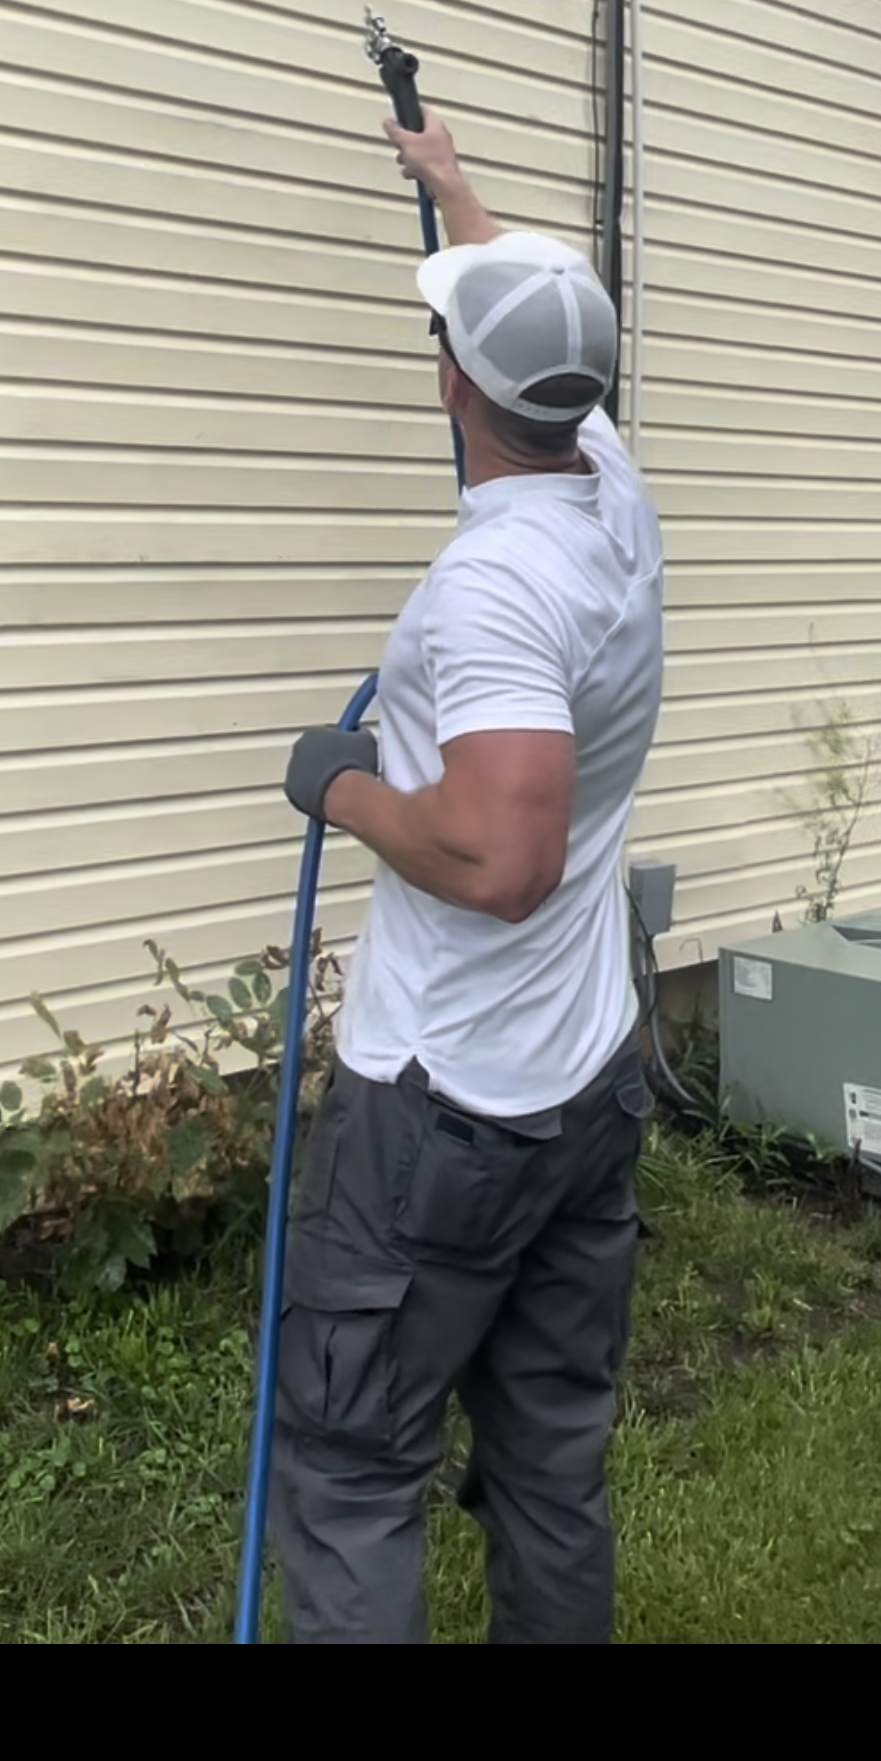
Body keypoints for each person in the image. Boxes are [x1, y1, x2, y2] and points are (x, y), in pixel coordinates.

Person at [269, 105, 665, 1646]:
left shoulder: (495, 584)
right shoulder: (611, 490)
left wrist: (345, 787)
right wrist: (451, 190)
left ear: (454, 387)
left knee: (356, 1461)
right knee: (553, 1454)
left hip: (449, 1107)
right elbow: (527, 319)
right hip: (587, 1076)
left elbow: (506, 857)